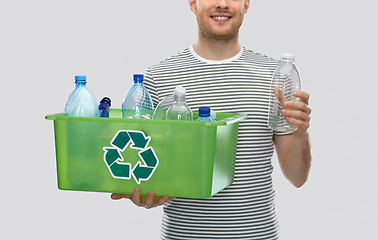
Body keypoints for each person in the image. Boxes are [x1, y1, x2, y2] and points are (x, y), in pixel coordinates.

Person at [111, 0, 312, 239]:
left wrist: (300, 133)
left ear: (246, 5)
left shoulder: (275, 76)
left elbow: (297, 177)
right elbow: (151, 168)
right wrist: (146, 193)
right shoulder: (159, 78)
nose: (223, 4)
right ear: (193, 4)